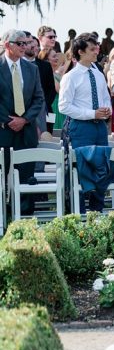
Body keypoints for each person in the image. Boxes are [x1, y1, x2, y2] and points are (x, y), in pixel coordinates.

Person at [57, 35, 113, 212]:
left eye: (97, 48)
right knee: (81, 170)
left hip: (99, 127)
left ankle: (97, 211)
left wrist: (106, 110)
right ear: (80, 52)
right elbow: (64, 107)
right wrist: (91, 113)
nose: (97, 51)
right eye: (92, 49)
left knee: (102, 167)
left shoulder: (98, 73)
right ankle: (78, 213)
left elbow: (105, 97)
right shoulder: (71, 77)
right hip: (80, 128)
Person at [2, 29, 46, 215]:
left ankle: (26, 218)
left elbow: (39, 99)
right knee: (2, 175)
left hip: (26, 130)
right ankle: (4, 217)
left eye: (26, 43)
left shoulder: (31, 69)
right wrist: (8, 120)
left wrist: (25, 119)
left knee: (27, 176)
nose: (25, 47)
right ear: (7, 45)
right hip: (3, 130)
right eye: (20, 43)